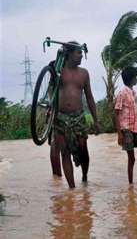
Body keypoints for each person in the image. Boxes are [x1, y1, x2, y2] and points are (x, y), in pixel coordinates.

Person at [53, 41, 100, 188]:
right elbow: (51, 91)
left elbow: (90, 97)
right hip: (60, 117)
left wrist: (96, 120)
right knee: (65, 152)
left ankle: (85, 177)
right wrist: (50, 112)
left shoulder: (84, 73)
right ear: (70, 54)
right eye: (78, 52)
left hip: (79, 117)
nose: (81, 56)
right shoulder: (58, 70)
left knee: (83, 150)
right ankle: (72, 189)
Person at [114, 67, 137, 184]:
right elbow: (117, 113)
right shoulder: (122, 93)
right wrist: (119, 134)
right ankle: (131, 185)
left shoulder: (133, 93)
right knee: (132, 158)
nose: (136, 79)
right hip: (126, 129)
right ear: (131, 78)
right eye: (135, 77)